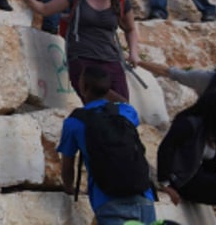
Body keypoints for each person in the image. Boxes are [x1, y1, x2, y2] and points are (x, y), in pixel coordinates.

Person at [15, 0, 138, 102]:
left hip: (111, 60)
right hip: (82, 61)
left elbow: (130, 29)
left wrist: (134, 53)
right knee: (105, 105)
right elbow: (45, 9)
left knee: (121, 110)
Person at [57, 64, 156, 225]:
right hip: (143, 198)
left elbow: (67, 164)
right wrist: (104, 89)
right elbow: (125, 102)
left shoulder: (75, 122)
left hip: (108, 202)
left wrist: (68, 187)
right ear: (107, 88)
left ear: (84, 87)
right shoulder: (125, 112)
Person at [156, 90, 216, 207]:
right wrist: (165, 184)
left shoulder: (213, 131)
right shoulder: (189, 124)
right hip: (181, 180)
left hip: (197, 177)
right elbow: (165, 150)